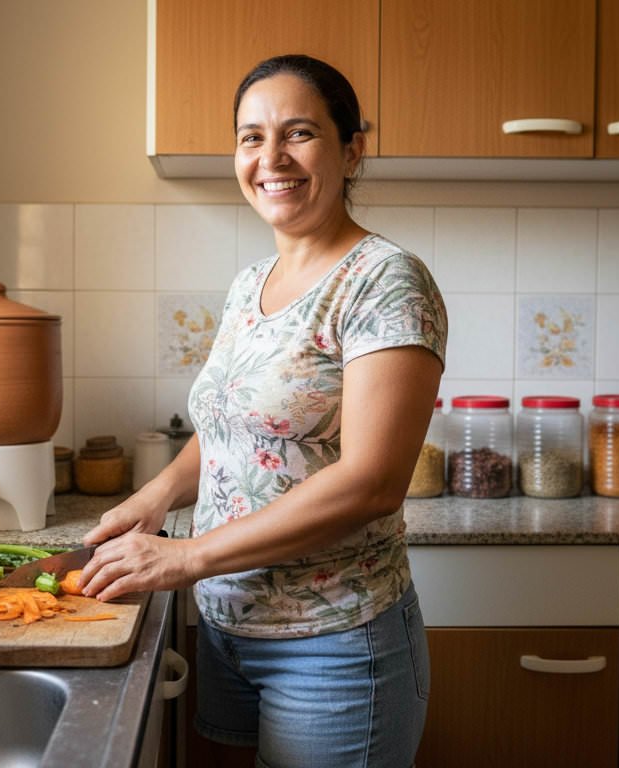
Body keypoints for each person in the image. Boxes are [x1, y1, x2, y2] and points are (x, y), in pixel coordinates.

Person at [79, 53, 447, 768]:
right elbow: (226, 430)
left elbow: (372, 481)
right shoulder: (252, 283)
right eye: (251, 137)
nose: (271, 157)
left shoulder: (385, 281)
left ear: (352, 149)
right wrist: (152, 500)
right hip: (227, 630)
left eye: (299, 133)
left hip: (333, 644)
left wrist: (186, 556)